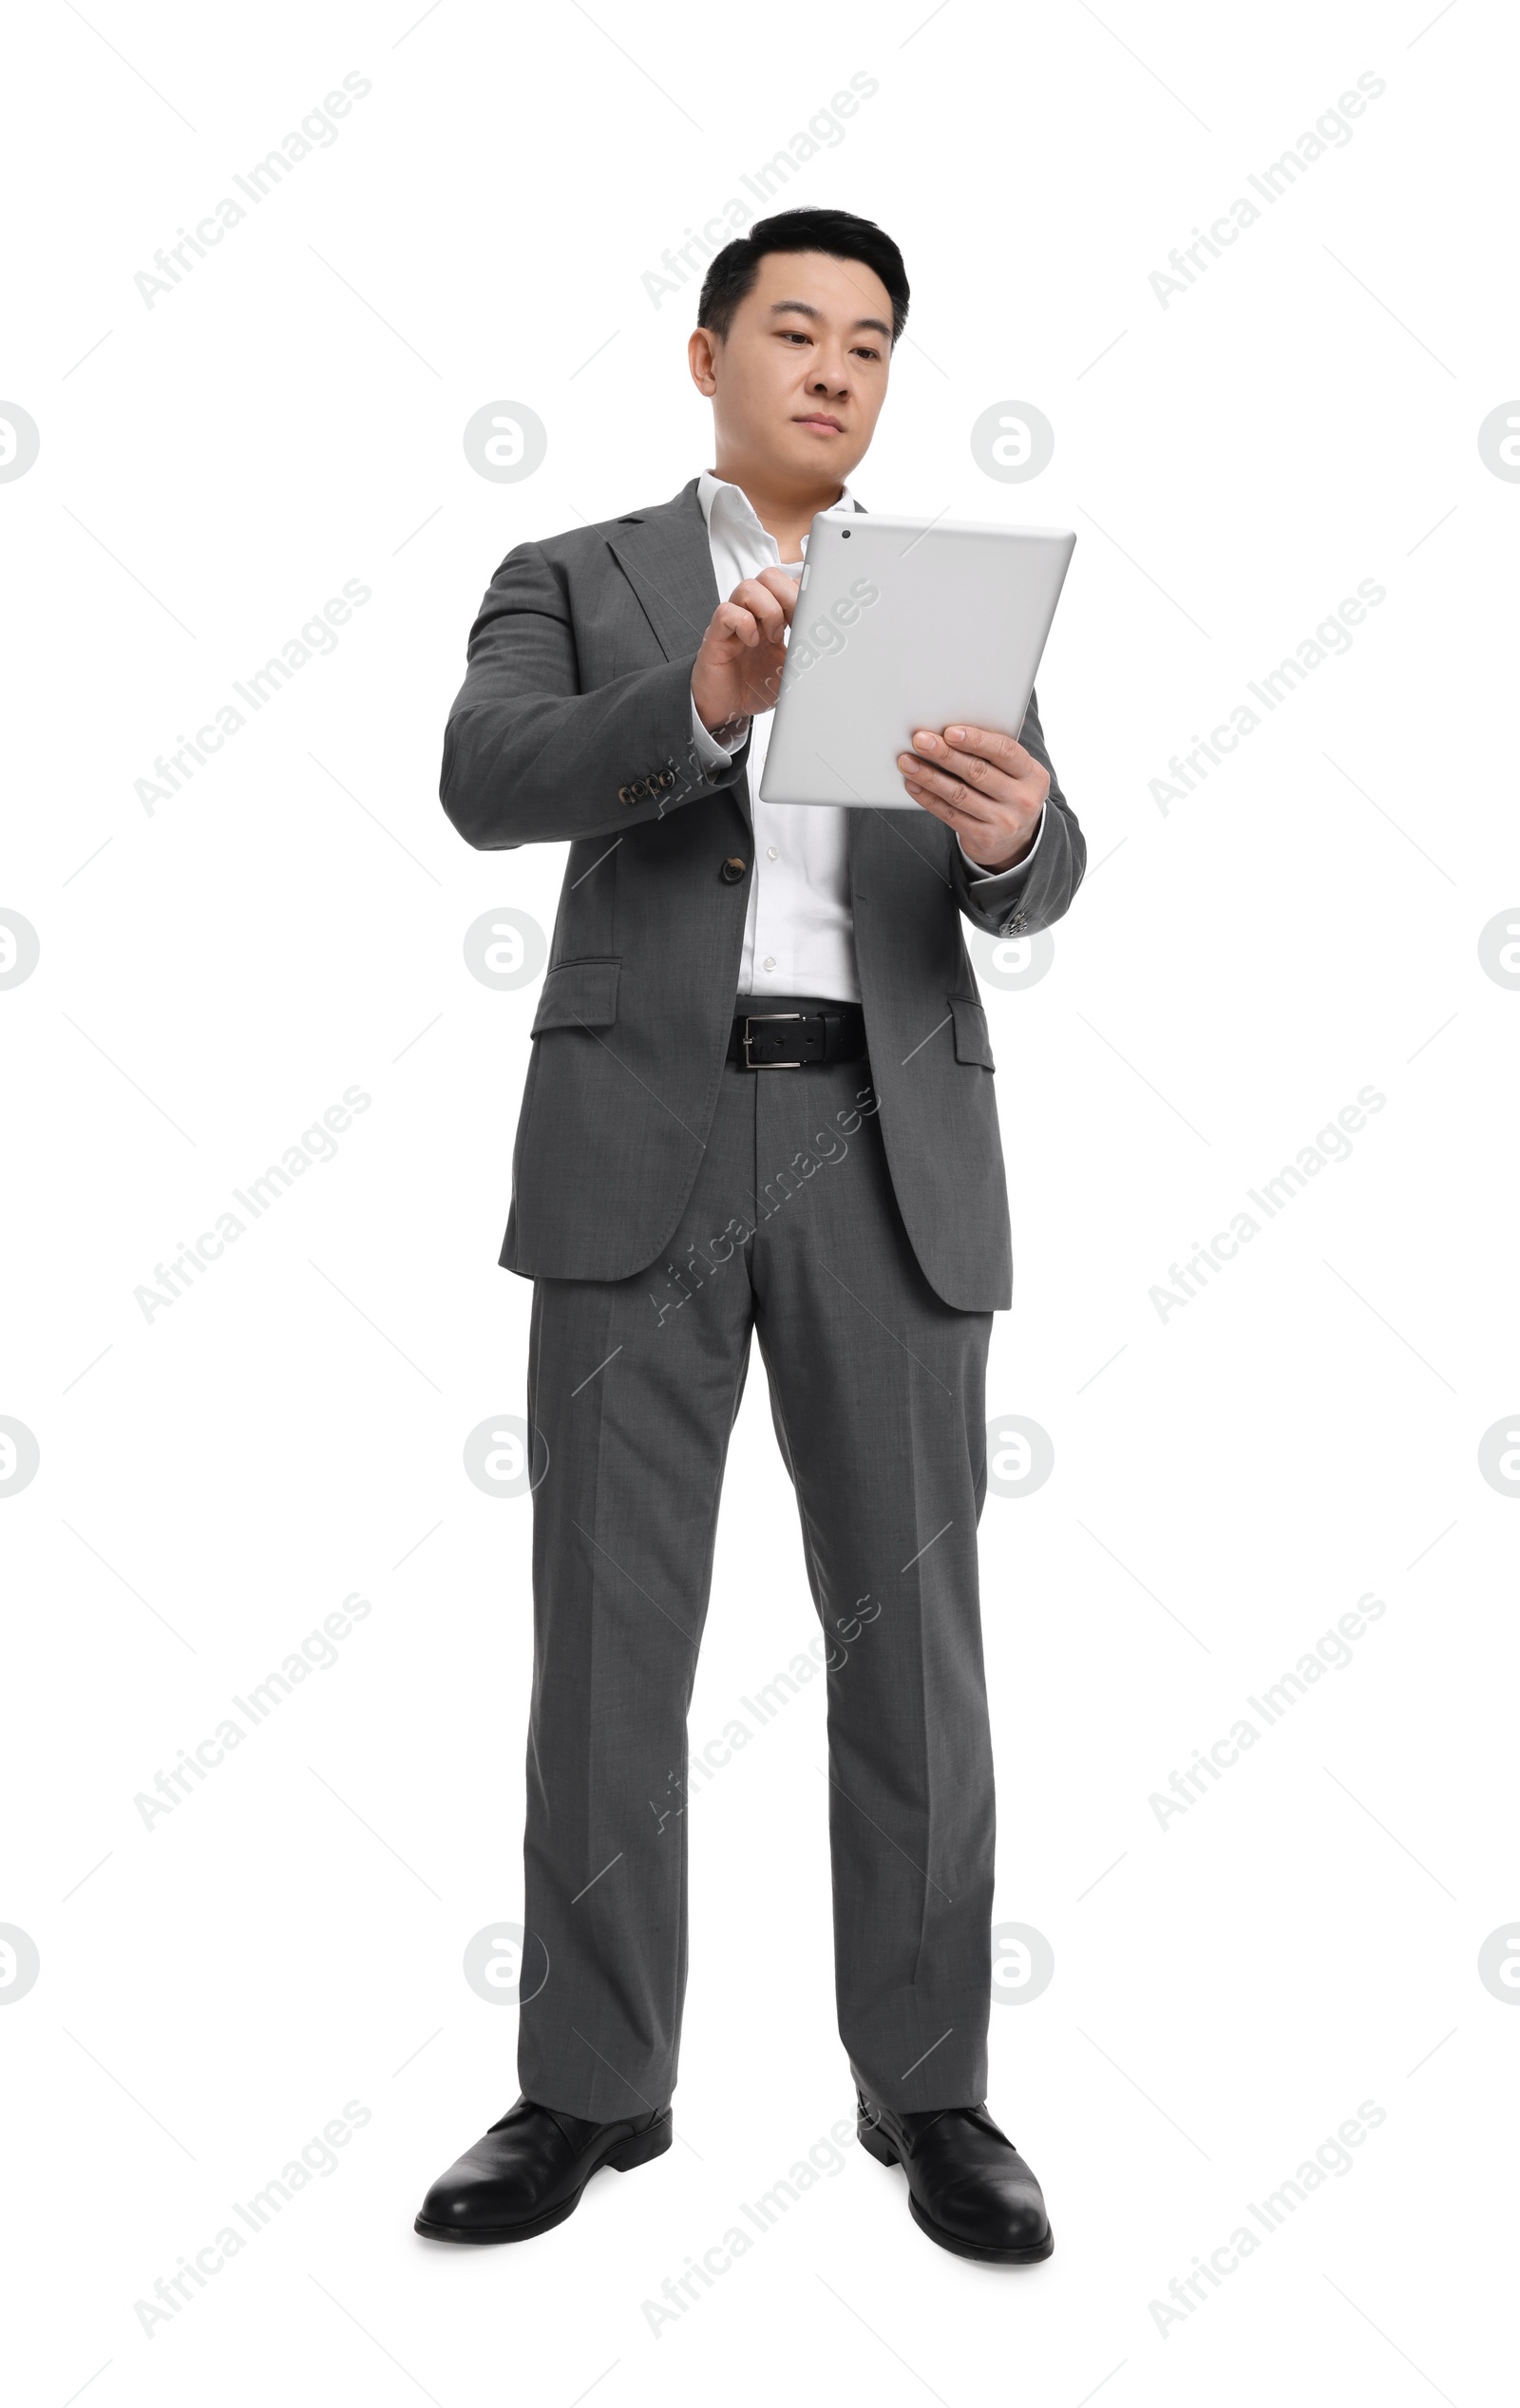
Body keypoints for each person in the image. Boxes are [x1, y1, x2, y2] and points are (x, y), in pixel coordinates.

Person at [415, 206, 1085, 2262]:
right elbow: (482, 775)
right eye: (791, 330)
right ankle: (587, 2087)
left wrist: (1007, 836)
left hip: (886, 1148)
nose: (830, 367)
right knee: (610, 1637)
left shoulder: (954, 601)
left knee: (914, 1641)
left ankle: (929, 2082)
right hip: (642, 1140)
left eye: (867, 344)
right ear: (705, 355)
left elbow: (1038, 867)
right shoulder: (573, 576)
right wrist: (696, 704)